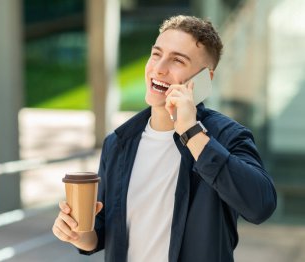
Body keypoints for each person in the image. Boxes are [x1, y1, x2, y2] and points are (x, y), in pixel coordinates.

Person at [52, 15, 277, 262]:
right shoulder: (118, 143)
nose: (159, 68)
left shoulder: (227, 137)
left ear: (204, 79)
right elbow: (105, 229)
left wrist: (191, 132)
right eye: (156, 54)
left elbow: (260, 206)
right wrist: (80, 235)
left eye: (177, 60)